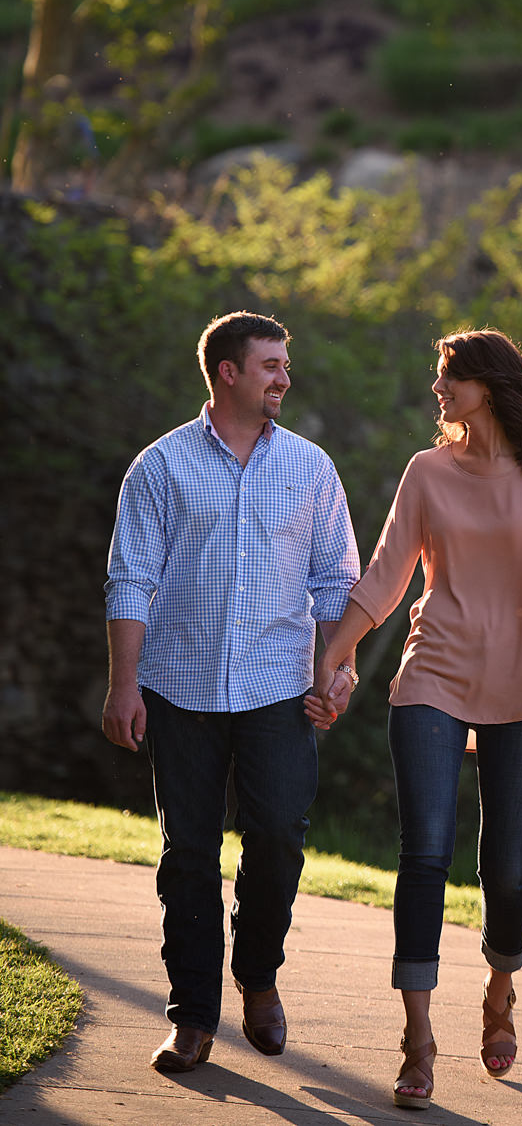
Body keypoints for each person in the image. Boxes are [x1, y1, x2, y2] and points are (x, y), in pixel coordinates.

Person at [305, 327, 522, 1111]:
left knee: (507, 862)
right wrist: (333, 657)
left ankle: (500, 991)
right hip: (433, 673)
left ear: (488, 385)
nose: (438, 392)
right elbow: (387, 573)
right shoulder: (427, 471)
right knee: (423, 855)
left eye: (449, 379)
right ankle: (417, 1039)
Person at [102, 310, 360, 1074]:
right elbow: (131, 578)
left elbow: (336, 579)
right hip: (179, 691)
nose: (285, 377)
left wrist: (335, 668)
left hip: (278, 690)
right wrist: (124, 684)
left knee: (278, 837)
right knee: (189, 854)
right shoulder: (161, 467)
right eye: (271, 365)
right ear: (229, 374)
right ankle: (192, 1017)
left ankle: (258, 976)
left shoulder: (311, 468)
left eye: (285, 365)